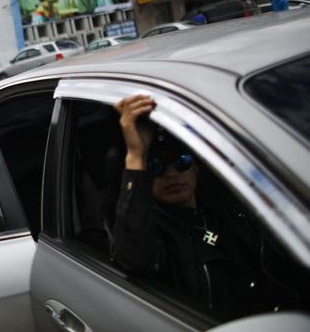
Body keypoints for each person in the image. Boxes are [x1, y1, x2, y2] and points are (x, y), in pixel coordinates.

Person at [111, 94, 300, 320]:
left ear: (196, 167)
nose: (171, 173)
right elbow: (133, 258)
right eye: (156, 167)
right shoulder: (150, 230)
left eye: (181, 161)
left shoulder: (227, 203)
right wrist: (136, 156)